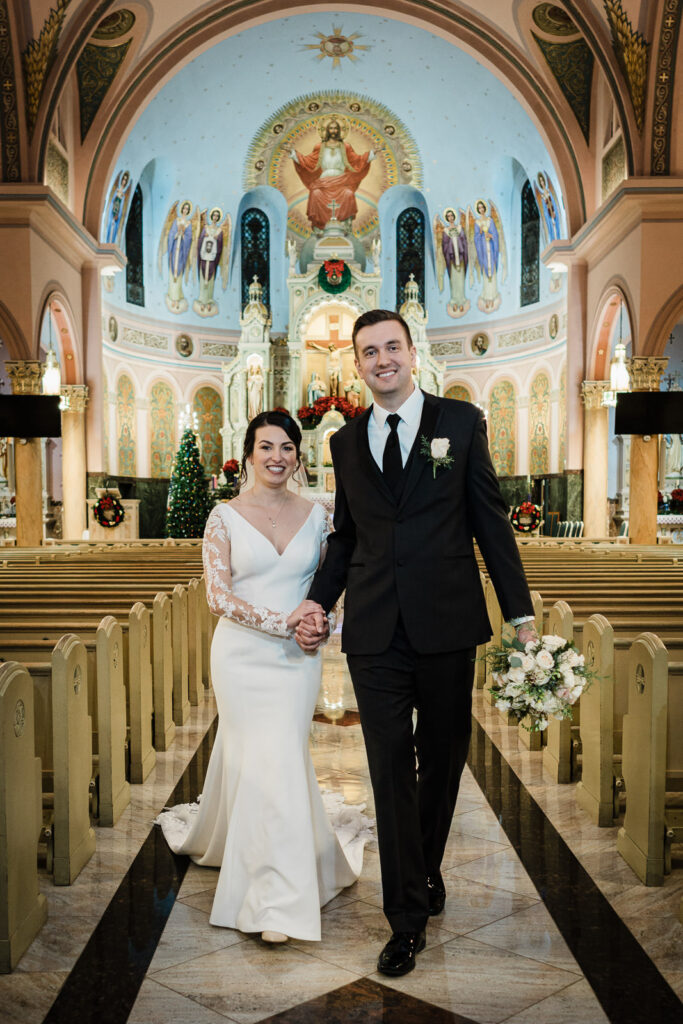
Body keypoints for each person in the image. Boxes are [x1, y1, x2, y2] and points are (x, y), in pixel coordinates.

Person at [293, 310, 536, 976]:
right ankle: (404, 918)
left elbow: (489, 522)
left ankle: (425, 868)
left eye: (391, 347)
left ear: (411, 352)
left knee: (444, 757)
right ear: (356, 363)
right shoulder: (344, 442)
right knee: (388, 769)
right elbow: (345, 535)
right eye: (368, 352)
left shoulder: (459, 424)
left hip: (445, 622)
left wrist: (520, 615)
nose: (381, 360)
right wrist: (318, 599)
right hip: (374, 629)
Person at [156, 411, 370, 943]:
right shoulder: (222, 516)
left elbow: (331, 581)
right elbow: (217, 596)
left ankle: (275, 876)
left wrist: (319, 622)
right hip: (242, 656)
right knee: (258, 761)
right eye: (266, 447)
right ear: (249, 453)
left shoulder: (321, 513)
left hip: (297, 659)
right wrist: (282, 622)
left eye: (287, 448)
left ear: (299, 455)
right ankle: (272, 898)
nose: (277, 457)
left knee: (278, 757)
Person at [287, 116, 376, 232]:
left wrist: (372, 153)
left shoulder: (345, 147)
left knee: (348, 194)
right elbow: (308, 161)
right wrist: (293, 153)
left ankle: (345, 226)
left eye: (335, 129)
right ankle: (319, 228)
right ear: (327, 131)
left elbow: (357, 160)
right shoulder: (320, 147)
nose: (333, 131)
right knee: (315, 193)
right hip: (324, 180)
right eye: (331, 128)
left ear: (339, 131)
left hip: (342, 180)